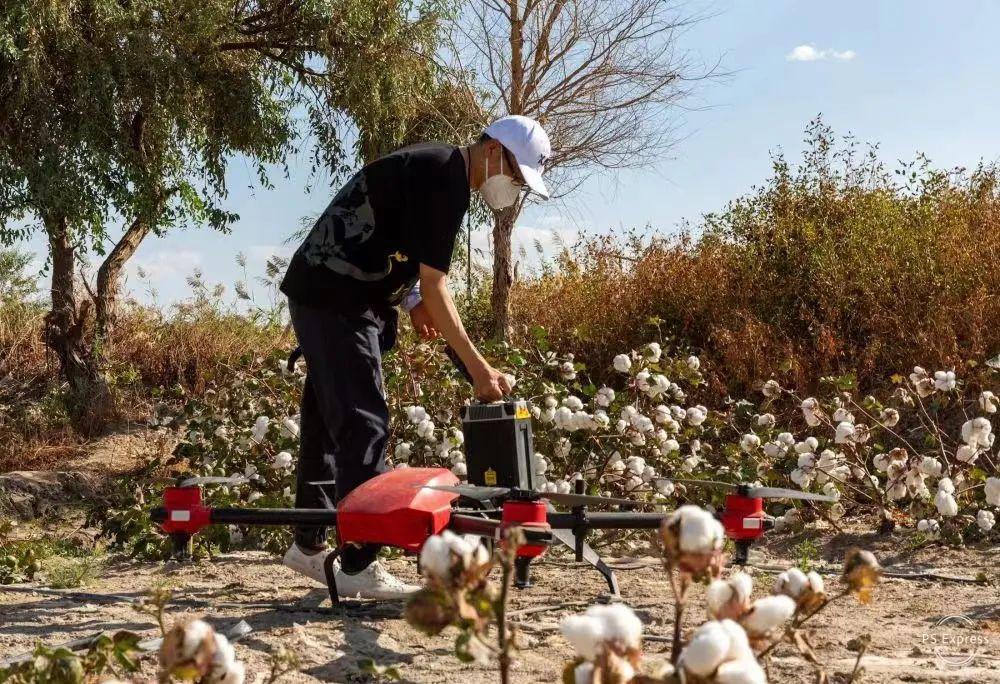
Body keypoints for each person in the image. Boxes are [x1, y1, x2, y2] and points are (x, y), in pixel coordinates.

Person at [278, 115, 552, 599]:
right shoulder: (445, 176)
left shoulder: (439, 169)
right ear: (493, 152)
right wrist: (479, 369)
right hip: (337, 297)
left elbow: (392, 237)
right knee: (364, 422)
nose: (511, 189)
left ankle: (309, 543)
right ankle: (359, 563)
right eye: (514, 176)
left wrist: (409, 302)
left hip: (336, 291)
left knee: (328, 416)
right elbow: (437, 284)